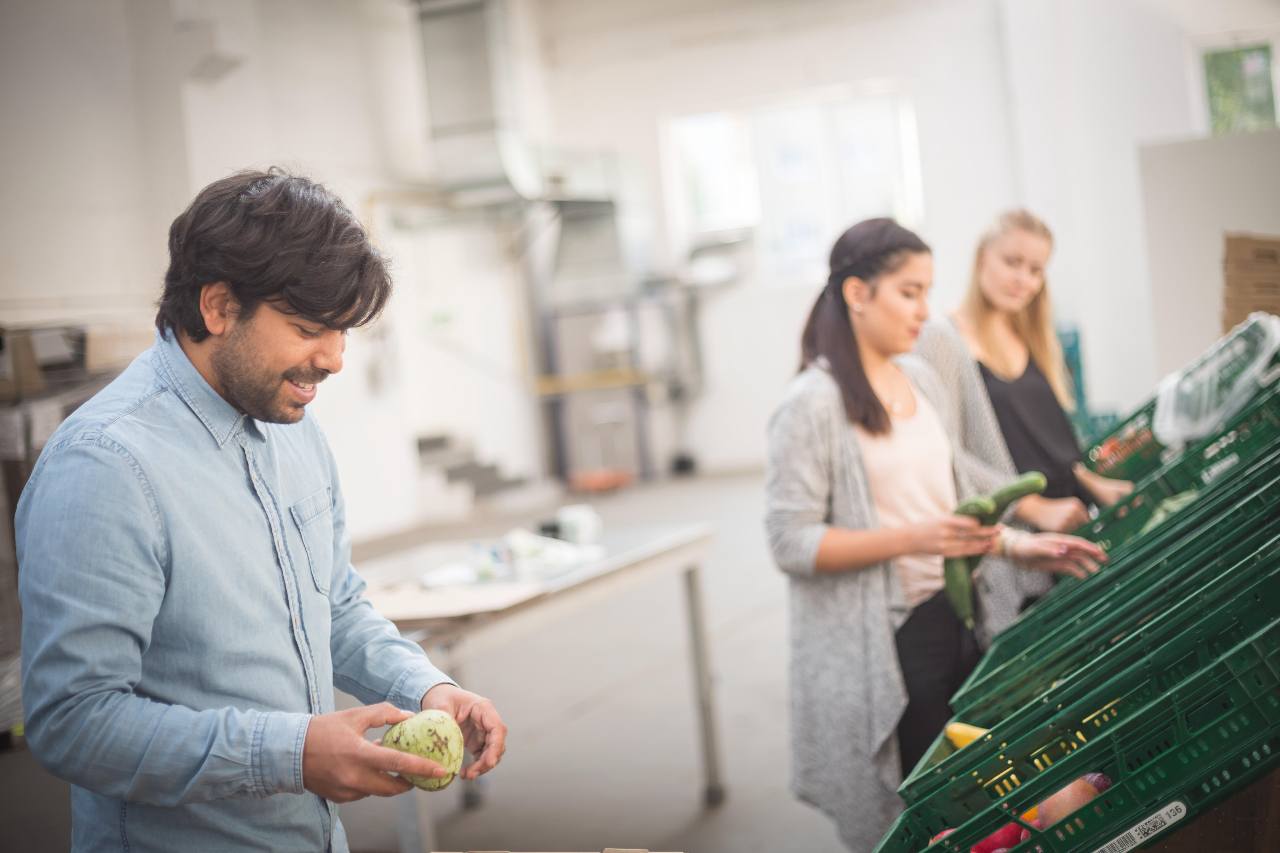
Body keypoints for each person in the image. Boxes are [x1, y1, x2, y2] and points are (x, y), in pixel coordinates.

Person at [17, 169, 507, 852]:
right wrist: (294, 752)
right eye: (309, 327)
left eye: (342, 332)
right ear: (218, 307)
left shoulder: (291, 427)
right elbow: (74, 720)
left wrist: (426, 685)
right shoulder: (106, 467)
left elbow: (333, 604)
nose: (335, 359)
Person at [764, 218, 1105, 851]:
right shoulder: (813, 404)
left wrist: (1013, 543)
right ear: (857, 294)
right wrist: (916, 539)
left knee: (967, 811)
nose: (926, 310)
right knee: (912, 818)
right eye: (909, 292)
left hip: (953, 616)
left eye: (928, 291)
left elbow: (949, 498)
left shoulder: (916, 380)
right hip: (884, 643)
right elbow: (791, 543)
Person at [950, 209, 1133, 513]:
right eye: (1012, 263)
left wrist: (1092, 483)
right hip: (1013, 530)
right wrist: (1034, 508)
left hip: (1072, 518)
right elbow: (950, 457)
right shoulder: (948, 340)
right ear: (982, 257)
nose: (1024, 280)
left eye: (1036, 270)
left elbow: (1048, 445)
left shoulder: (1032, 339)